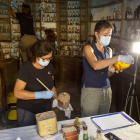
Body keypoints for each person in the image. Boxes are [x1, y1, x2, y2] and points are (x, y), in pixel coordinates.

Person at [81, 20, 134, 117]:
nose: (108, 38)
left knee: (104, 119)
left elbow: (108, 74)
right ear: (96, 34)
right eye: (105, 34)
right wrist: (117, 58)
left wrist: (114, 69)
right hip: (91, 90)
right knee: (89, 120)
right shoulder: (88, 48)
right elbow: (95, 65)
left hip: (106, 89)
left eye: (109, 35)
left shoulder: (108, 50)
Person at [14, 40, 57, 127]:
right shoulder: (26, 68)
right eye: (44, 58)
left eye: (50, 58)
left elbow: (51, 87)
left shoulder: (49, 66)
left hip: (46, 110)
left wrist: (57, 99)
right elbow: (17, 92)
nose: (48, 61)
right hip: (28, 111)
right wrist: (39, 94)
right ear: (35, 55)